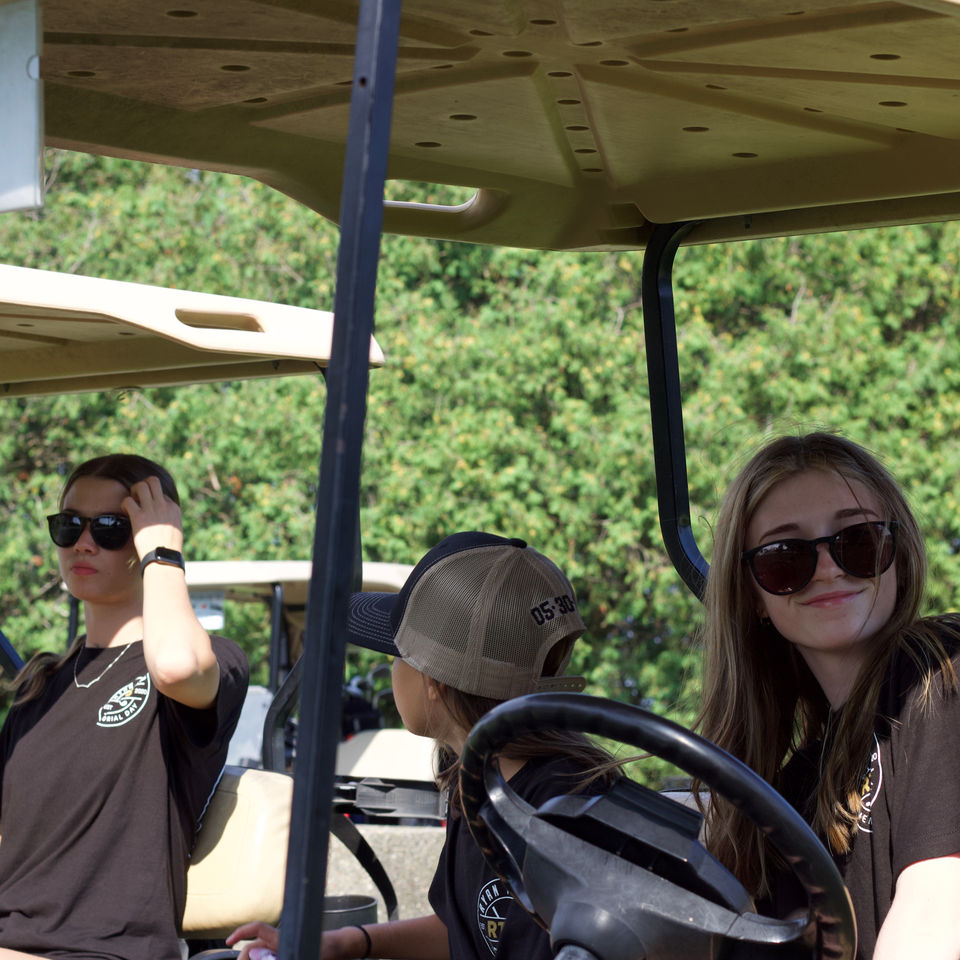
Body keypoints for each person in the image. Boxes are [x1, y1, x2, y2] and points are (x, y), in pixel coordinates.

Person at [227, 531, 617, 960]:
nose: (393, 668)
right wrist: (346, 943)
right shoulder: (480, 778)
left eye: (396, 654)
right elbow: (464, 930)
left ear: (433, 680)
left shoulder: (556, 819)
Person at [696, 431, 960, 960]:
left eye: (859, 540)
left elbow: (937, 912)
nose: (829, 568)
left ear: (898, 556)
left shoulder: (939, 671)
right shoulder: (790, 790)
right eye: (784, 558)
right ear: (752, 595)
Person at [0, 454, 249, 960]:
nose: (83, 543)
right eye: (69, 525)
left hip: (100, 951)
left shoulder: (207, 660)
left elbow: (175, 666)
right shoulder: (40, 686)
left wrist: (163, 550)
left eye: (112, 528)